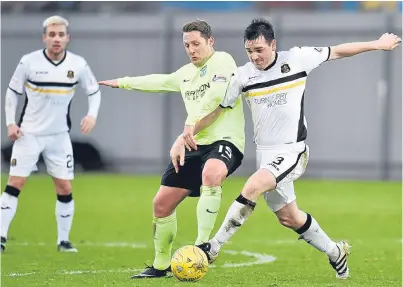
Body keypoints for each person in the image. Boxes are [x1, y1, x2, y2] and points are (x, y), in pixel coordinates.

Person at [174, 18, 401, 279]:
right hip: (266, 155)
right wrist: (188, 131)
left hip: (293, 151)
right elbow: (217, 111)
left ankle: (213, 247)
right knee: (289, 218)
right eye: (249, 51)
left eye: (259, 50)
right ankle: (335, 251)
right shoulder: (242, 75)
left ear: (273, 44)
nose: (255, 57)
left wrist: (378, 44)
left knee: (252, 186)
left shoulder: (296, 59)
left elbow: (338, 50)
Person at [98, 20, 245, 278]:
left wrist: (187, 127)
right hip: (193, 142)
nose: (191, 49)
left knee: (211, 173)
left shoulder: (223, 61)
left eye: (196, 43)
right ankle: (160, 265)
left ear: (210, 41)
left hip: (225, 141)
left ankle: (202, 246)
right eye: (187, 44)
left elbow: (215, 97)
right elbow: (161, 81)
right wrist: (123, 82)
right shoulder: (186, 73)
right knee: (161, 204)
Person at [1, 15, 101, 253]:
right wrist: (10, 123)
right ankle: (1, 237)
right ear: (44, 37)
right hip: (29, 135)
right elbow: (12, 93)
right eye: (52, 35)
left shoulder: (78, 64)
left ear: (68, 38)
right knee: (15, 184)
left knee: (64, 188)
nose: (56, 39)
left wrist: (92, 115)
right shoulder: (29, 62)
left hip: (59, 137)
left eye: (61, 35)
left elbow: (94, 91)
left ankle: (63, 241)